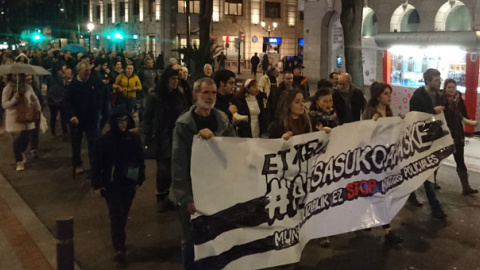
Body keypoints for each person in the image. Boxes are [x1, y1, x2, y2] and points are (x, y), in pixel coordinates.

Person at [171, 78, 236, 270]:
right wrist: (186, 197)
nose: (210, 97)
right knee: (191, 240)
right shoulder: (184, 125)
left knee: (216, 236)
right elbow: (179, 164)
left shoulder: (222, 120)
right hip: (193, 191)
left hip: (217, 189)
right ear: (195, 95)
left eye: (213, 93)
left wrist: (216, 140)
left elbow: (235, 147)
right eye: (205, 93)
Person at [91, 106, 145, 262]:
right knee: (117, 214)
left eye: (126, 120)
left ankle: (119, 239)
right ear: (114, 121)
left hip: (128, 182)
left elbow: (139, 158)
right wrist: (97, 184)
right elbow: (96, 163)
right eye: (120, 120)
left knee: (123, 213)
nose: (123, 123)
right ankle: (119, 247)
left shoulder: (133, 139)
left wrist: (140, 177)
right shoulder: (104, 140)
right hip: (111, 184)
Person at [362, 82, 404, 244]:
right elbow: (364, 134)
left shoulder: (389, 112)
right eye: (386, 94)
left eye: (390, 93)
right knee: (379, 193)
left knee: (378, 193)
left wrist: (399, 122)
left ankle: (368, 218)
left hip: (387, 159)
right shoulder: (370, 112)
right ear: (378, 96)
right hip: (373, 160)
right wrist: (372, 123)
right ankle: (387, 230)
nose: (389, 97)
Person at [144, 68, 188, 212]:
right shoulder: (155, 97)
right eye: (173, 79)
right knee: (164, 169)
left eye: (177, 79)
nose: (176, 82)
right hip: (163, 137)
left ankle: (173, 197)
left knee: (177, 168)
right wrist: (148, 138)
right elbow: (148, 119)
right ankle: (162, 196)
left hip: (178, 135)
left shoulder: (179, 95)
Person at [408, 68, 447, 220]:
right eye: (436, 80)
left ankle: (410, 193)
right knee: (427, 173)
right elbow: (414, 117)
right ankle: (435, 207)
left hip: (433, 138)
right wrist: (432, 111)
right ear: (427, 81)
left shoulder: (439, 96)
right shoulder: (418, 96)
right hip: (420, 139)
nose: (439, 82)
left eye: (439, 79)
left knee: (423, 170)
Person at [441, 78, 478, 195]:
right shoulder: (440, 100)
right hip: (444, 134)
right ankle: (431, 183)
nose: (452, 90)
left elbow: (464, 115)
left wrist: (470, 121)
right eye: (449, 87)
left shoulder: (459, 100)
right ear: (445, 88)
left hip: (457, 135)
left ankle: (465, 187)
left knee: (460, 160)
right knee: (436, 159)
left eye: (453, 87)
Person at [64, 61, 102, 175]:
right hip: (77, 120)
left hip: (91, 118)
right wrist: (71, 116)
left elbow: (99, 97)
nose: (88, 73)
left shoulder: (93, 82)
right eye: (86, 71)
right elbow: (67, 102)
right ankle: (77, 163)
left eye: (89, 71)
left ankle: (93, 165)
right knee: (76, 144)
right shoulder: (72, 86)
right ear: (79, 71)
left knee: (93, 142)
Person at [2, 73, 41, 171]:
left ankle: (21, 151)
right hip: (14, 118)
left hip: (26, 117)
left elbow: (34, 98)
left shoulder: (28, 87)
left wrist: (38, 109)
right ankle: (18, 161)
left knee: (25, 139)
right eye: (15, 75)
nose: (17, 77)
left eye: (19, 75)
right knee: (17, 140)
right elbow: (4, 105)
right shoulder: (8, 88)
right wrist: (14, 99)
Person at [46, 66, 71, 139]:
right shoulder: (61, 78)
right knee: (63, 116)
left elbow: (48, 87)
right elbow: (64, 87)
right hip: (61, 98)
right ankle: (65, 131)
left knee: (53, 116)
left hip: (51, 99)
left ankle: (53, 133)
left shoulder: (49, 78)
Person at [25, 74, 43, 159]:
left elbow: (40, 99)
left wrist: (39, 109)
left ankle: (34, 148)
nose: (30, 81)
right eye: (28, 79)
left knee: (35, 131)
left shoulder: (35, 89)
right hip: (25, 113)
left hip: (35, 112)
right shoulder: (21, 90)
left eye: (31, 79)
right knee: (25, 132)